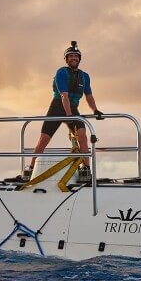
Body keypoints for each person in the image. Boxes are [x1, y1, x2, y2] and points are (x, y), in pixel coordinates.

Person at [26, 41, 102, 179]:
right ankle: (30, 169)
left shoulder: (84, 76)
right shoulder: (61, 72)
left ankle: (86, 169)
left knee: (83, 136)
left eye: (76, 56)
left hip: (72, 108)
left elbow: (89, 95)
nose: (74, 58)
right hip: (57, 107)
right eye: (71, 56)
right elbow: (63, 96)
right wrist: (69, 116)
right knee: (44, 139)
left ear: (79, 59)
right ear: (67, 59)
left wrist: (95, 110)